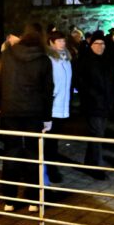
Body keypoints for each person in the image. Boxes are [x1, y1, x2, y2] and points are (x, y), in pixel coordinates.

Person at [0, 22, 53, 211]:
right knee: (34, 154)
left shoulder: (8, 54)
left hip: (11, 109)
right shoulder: (43, 59)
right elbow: (47, 90)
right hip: (34, 111)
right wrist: (47, 117)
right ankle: (33, 199)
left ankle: (9, 199)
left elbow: (0, 80)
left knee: (11, 152)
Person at [76, 31, 113, 176]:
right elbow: (81, 83)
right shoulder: (85, 61)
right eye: (97, 43)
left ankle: (90, 163)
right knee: (97, 135)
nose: (100, 46)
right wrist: (93, 95)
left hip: (104, 104)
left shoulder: (106, 60)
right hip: (92, 104)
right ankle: (96, 167)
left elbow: (111, 82)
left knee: (98, 135)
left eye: (102, 44)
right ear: (91, 45)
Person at [46, 29, 72, 182]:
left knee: (54, 141)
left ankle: (52, 168)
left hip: (63, 106)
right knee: (50, 142)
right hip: (53, 106)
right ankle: (51, 170)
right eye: (59, 41)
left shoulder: (66, 58)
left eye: (63, 40)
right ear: (52, 43)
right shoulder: (50, 59)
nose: (63, 43)